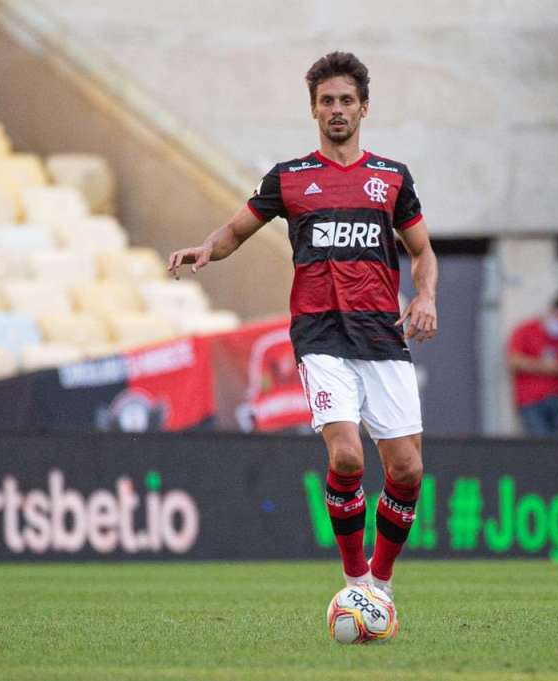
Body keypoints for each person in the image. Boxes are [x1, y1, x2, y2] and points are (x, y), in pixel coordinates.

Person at [167, 52, 438, 599]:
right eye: (326, 101)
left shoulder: (391, 179)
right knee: (346, 456)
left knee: (406, 470)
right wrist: (207, 248)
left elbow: (422, 251)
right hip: (321, 338)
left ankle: (380, 584)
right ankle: (355, 579)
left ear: (364, 107)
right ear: (313, 109)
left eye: (345, 100)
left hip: (383, 337)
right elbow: (236, 230)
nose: (336, 110)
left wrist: (426, 295)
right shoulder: (290, 179)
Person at [507, 294, 558, 438]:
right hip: (531, 400)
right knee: (539, 443)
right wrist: (543, 366)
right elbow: (514, 361)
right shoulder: (526, 330)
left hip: (555, 399)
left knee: (556, 445)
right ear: (552, 311)